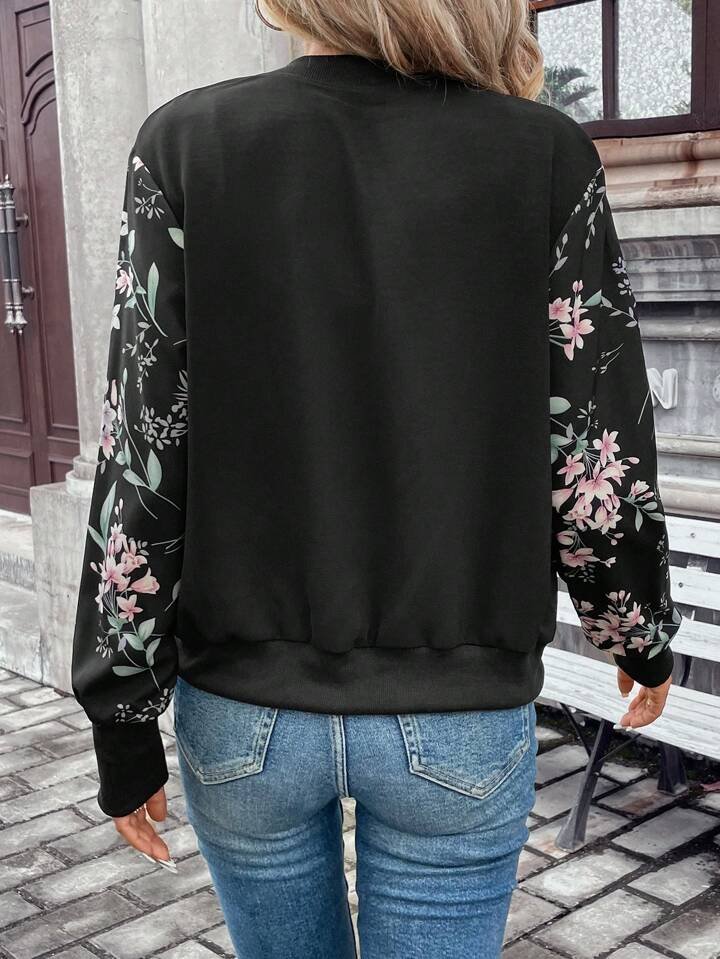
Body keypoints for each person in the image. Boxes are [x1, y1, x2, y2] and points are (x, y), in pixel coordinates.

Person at [70, 1, 684, 956]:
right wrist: (636, 631)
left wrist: (121, 710)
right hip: (458, 707)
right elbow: (595, 451)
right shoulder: (543, 155)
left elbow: (144, 448)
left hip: (244, 707)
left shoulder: (187, 144)